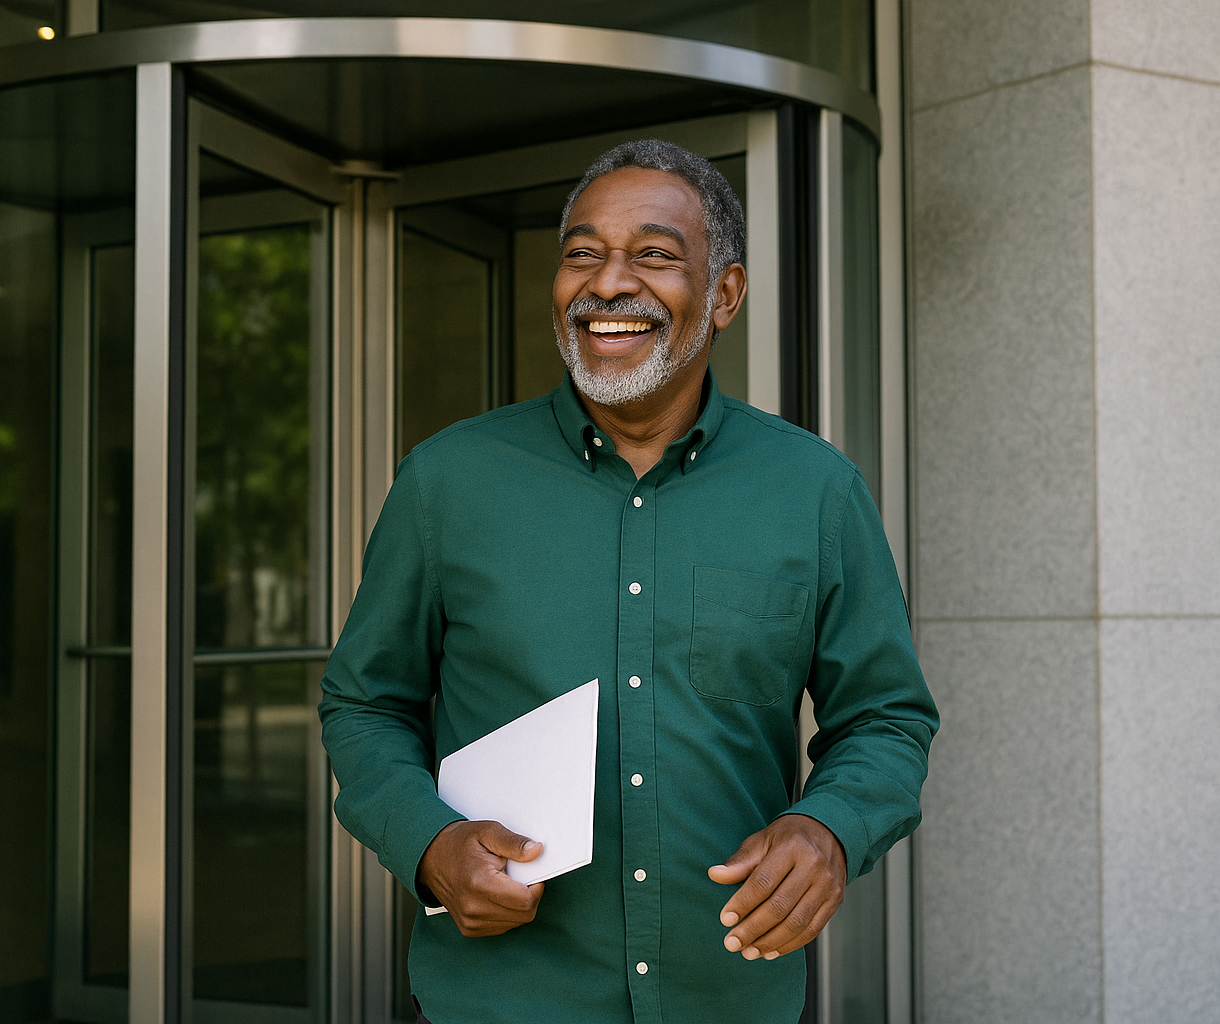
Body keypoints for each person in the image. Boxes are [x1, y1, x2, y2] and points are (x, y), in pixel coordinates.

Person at [318, 139, 938, 1024]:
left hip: (729, 998)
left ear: (724, 294)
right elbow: (365, 703)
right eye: (582, 254)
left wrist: (832, 827)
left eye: (653, 254)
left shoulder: (815, 491)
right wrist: (429, 844)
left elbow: (885, 716)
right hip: (499, 1002)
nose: (608, 283)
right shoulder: (447, 481)